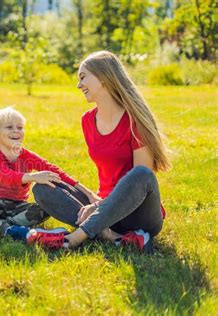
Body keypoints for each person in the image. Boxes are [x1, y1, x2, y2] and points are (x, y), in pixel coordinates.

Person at [33, 51, 171, 253]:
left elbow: (142, 180)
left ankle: (76, 237)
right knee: (43, 187)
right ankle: (111, 236)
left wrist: (98, 208)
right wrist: (95, 202)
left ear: (104, 77)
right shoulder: (87, 121)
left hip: (138, 214)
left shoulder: (135, 120)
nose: (79, 85)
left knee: (141, 174)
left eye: (83, 77)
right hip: (103, 207)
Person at [0, 107, 93, 249]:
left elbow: (55, 171)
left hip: (18, 206)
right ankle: (9, 230)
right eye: (9, 127)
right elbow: (6, 177)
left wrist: (88, 193)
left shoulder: (26, 155)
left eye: (20, 127)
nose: (16, 131)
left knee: (46, 207)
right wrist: (33, 176)